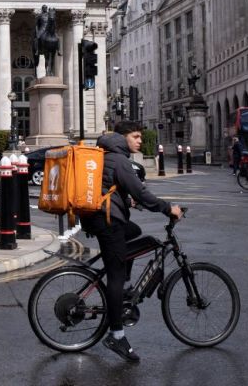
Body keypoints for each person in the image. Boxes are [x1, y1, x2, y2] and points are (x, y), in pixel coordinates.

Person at [79, 121, 182, 363]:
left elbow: (115, 188)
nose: (139, 140)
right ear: (122, 137)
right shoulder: (119, 160)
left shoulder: (109, 155)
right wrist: (168, 209)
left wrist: (126, 201)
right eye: (135, 136)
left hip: (101, 218)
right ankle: (117, 335)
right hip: (107, 221)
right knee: (114, 276)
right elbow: (141, 191)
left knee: (135, 232)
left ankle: (122, 280)